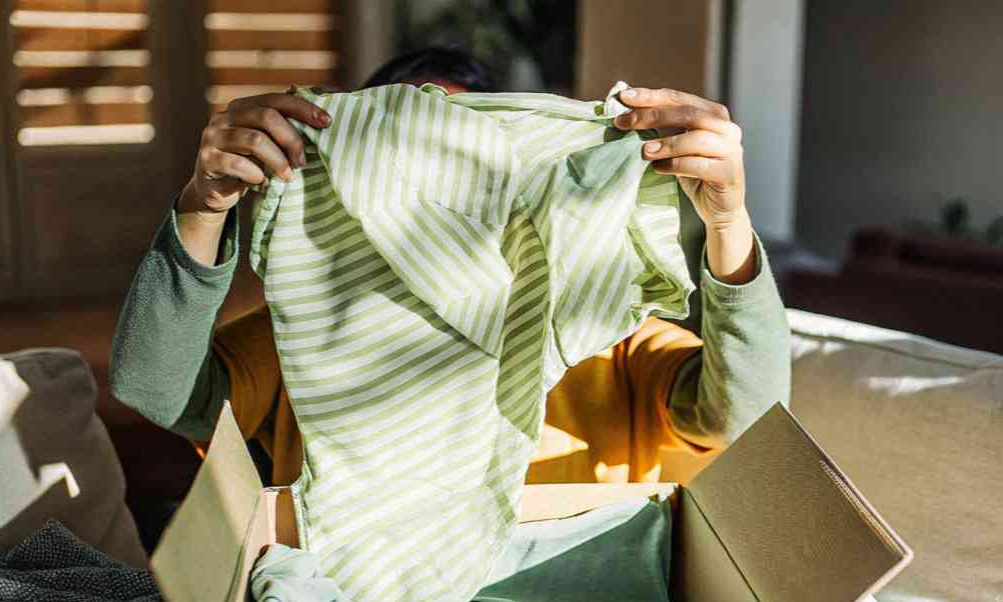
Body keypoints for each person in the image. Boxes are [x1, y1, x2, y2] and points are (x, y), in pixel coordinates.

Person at [109, 46, 789, 499]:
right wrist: (206, 204)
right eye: (394, 161)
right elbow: (159, 392)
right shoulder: (301, 332)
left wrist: (728, 225)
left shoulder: (608, 339)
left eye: (459, 160)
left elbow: (742, 418)